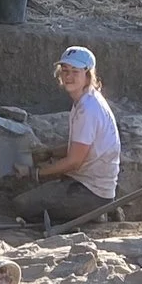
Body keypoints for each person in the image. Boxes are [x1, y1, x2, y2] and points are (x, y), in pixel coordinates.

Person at [12, 46, 120, 230]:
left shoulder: (89, 109)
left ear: (88, 74)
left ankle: (93, 215)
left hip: (91, 191)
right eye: (65, 71)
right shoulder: (85, 100)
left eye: (75, 72)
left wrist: (35, 173)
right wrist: (49, 153)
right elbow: (83, 145)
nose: (68, 76)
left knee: (21, 205)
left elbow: (74, 162)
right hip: (86, 183)